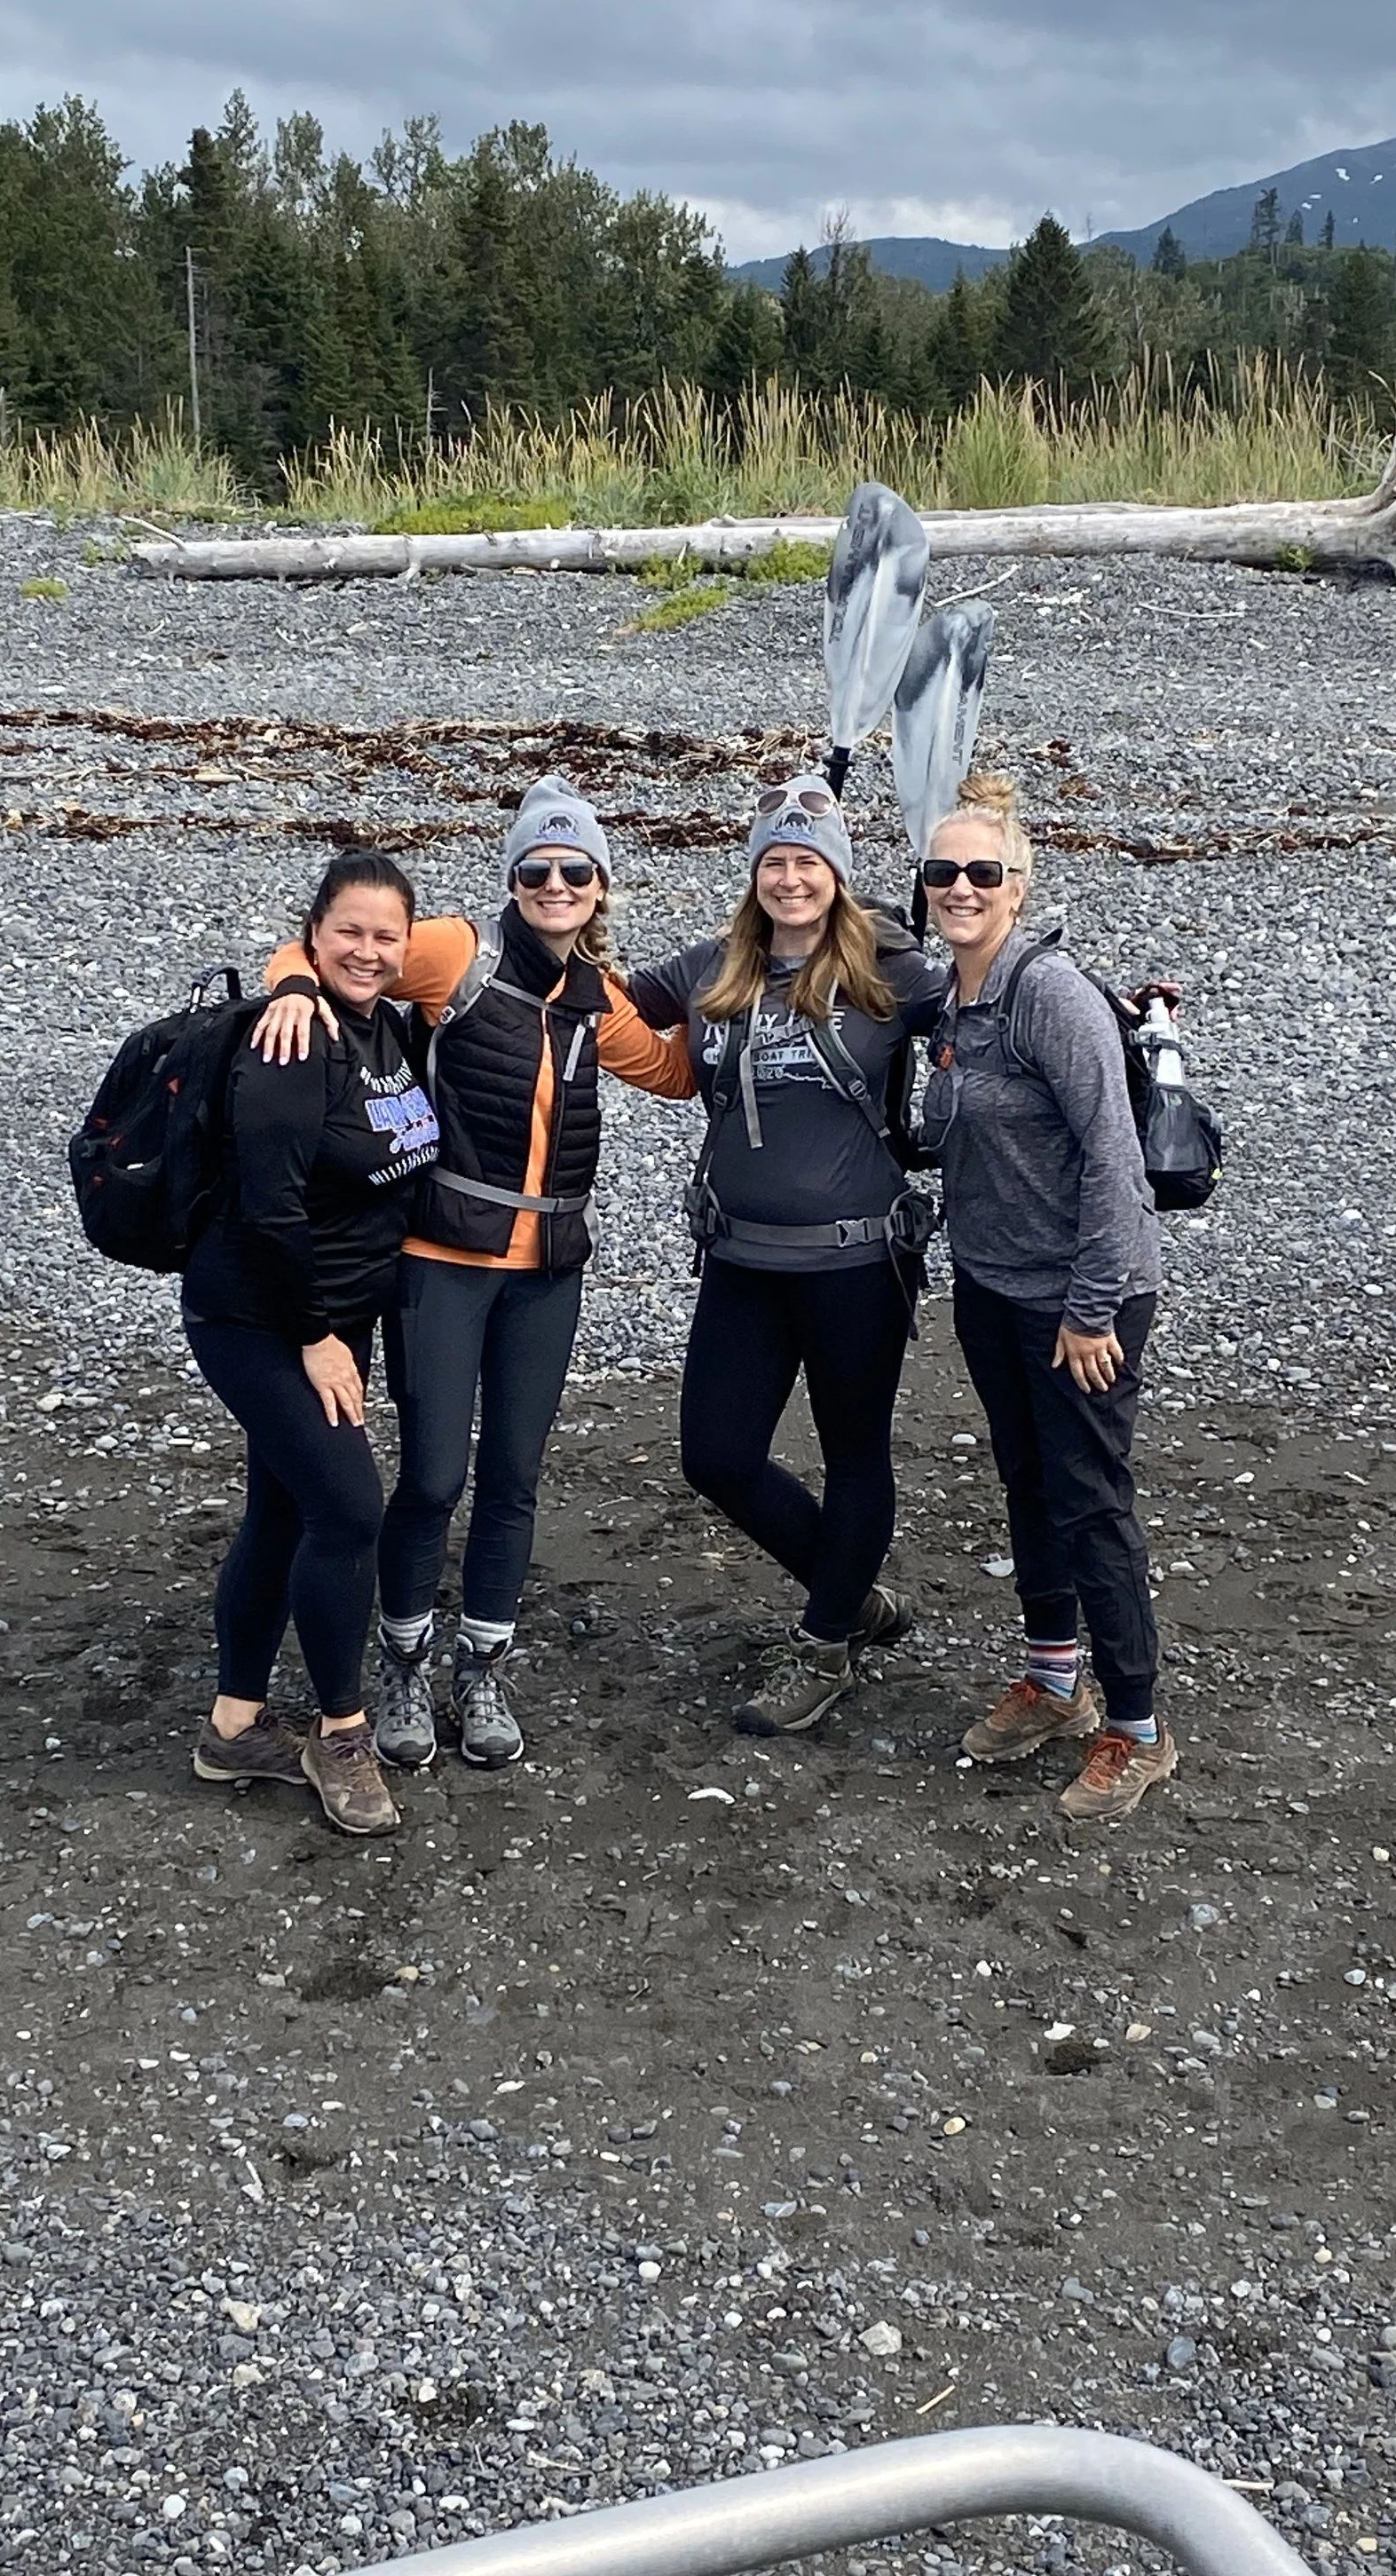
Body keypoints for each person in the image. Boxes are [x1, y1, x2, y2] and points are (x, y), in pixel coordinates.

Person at [254, 777, 695, 1770]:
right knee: (434, 1476)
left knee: (512, 1480)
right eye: (536, 868)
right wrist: (289, 984)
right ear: (513, 878)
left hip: (548, 1273)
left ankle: (480, 1664)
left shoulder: (595, 1000)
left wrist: (757, 982)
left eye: (574, 870)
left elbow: (674, 1073)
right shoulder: (460, 952)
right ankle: (404, 1661)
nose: (554, 884)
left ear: (598, 887)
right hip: (442, 1265)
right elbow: (339, 949)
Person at [628, 777, 944, 1735]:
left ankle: (822, 1645)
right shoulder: (712, 966)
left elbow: (1001, 1003)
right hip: (740, 1260)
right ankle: (847, 1593)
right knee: (715, 1457)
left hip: (856, 1264)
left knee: (854, 1453)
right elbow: (587, 999)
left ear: (839, 875)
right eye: (776, 860)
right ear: (754, 871)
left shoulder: (895, 967)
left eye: (809, 861)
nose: (792, 877)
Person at [919, 772, 1175, 1823]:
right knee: (1025, 1482)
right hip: (989, 1284)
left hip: (1081, 1297)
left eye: (983, 872)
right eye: (943, 873)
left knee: (1089, 1500)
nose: (961, 888)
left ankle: (1139, 1727)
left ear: (1018, 888)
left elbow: (1115, 1162)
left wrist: (1089, 1309)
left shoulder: (1049, 995)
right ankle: (1054, 1680)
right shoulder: (953, 997)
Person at [184, 849, 438, 1839]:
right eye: (348, 934)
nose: (368, 952)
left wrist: (293, 964)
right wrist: (318, 1339)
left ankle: (234, 1727)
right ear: (315, 931)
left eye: (386, 937)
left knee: (283, 1512)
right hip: (264, 1318)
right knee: (348, 1513)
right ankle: (341, 1732)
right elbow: (270, 1211)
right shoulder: (291, 1043)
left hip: (336, 1314)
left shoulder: (380, 1024)